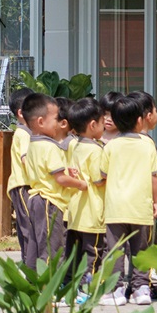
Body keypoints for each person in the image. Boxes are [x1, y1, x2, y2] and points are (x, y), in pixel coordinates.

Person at [101, 92, 157, 304]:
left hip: (115, 207)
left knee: (114, 249)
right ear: (140, 120)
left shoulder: (111, 146)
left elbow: (103, 174)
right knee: (140, 249)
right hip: (140, 207)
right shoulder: (147, 145)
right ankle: (141, 288)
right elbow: (154, 177)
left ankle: (116, 289)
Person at [24, 94, 83, 262]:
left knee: (36, 246)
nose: (59, 123)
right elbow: (60, 179)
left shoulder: (33, 144)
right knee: (53, 248)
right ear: (41, 122)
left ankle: (33, 282)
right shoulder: (50, 147)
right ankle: (51, 284)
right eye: (56, 118)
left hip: (36, 199)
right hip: (51, 201)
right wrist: (80, 184)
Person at [62, 96, 108, 290]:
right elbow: (98, 179)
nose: (105, 125)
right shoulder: (96, 150)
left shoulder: (76, 145)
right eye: (101, 122)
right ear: (92, 125)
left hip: (76, 210)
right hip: (93, 211)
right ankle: (89, 287)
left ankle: (70, 284)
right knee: (94, 252)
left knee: (76, 252)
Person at [5, 88, 38, 267]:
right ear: (21, 112)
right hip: (23, 185)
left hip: (25, 185)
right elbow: (27, 160)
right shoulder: (24, 133)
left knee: (28, 227)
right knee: (29, 228)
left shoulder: (28, 132)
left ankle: (29, 263)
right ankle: (29, 266)